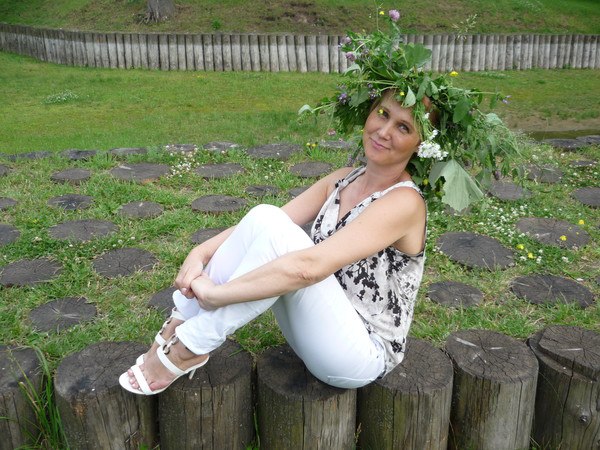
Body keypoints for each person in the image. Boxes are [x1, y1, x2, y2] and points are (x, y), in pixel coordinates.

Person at [119, 9, 517, 395]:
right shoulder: (343, 179)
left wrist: (217, 293)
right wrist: (199, 253)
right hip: (316, 325)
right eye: (382, 113)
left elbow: (308, 268)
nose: (383, 131)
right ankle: (179, 325)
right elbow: (262, 225)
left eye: (403, 127)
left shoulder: (405, 203)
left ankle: (191, 345)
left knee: (287, 243)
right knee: (265, 216)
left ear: (420, 145)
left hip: (359, 353)